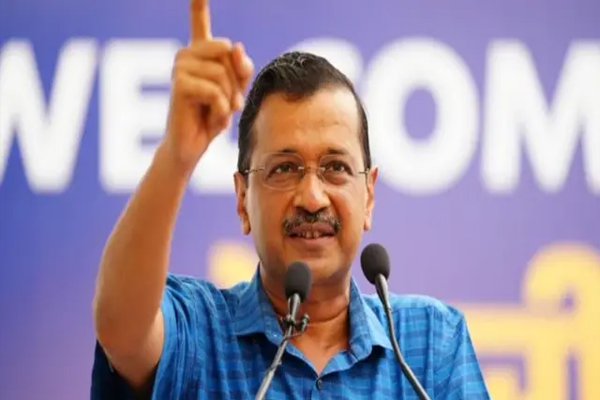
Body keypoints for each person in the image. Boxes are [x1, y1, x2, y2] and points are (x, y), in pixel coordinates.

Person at [90, 1, 491, 399]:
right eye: (284, 169)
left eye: (335, 167)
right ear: (243, 199)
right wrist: (177, 154)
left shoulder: (431, 344)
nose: (312, 198)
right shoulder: (198, 330)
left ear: (369, 195)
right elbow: (120, 328)